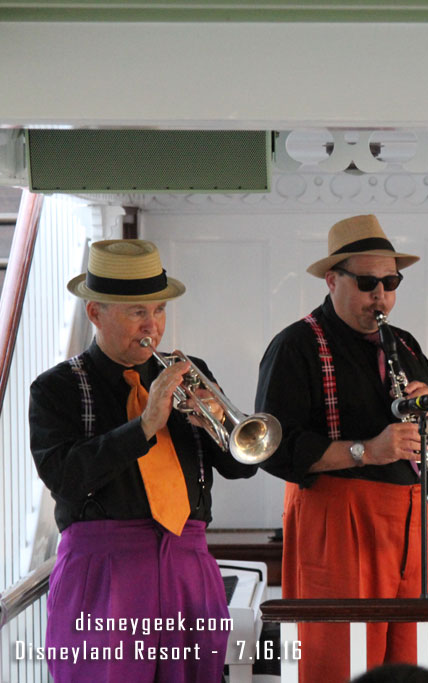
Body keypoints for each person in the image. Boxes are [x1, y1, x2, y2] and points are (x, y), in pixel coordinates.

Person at [29, 239, 257, 683]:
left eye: (158, 310)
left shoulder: (188, 372)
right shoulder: (55, 388)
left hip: (188, 561)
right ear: (95, 313)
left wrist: (215, 427)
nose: (152, 325)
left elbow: (241, 466)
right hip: (104, 569)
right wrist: (145, 425)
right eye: (137, 313)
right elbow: (65, 478)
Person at [255, 214, 428, 680]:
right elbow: (274, 449)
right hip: (338, 518)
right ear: (332, 280)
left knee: (414, 659)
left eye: (391, 282)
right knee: (340, 659)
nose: (382, 296)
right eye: (368, 282)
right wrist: (367, 451)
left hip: (414, 519)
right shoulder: (295, 345)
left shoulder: (404, 344)